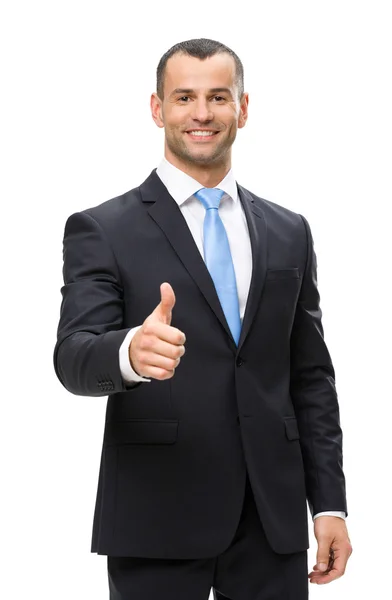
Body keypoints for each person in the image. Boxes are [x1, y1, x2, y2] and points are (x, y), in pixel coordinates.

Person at [54, 38, 352, 600]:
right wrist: (128, 354)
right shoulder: (102, 228)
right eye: (184, 97)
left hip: (271, 519)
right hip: (157, 515)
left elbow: (311, 378)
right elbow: (72, 355)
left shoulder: (290, 231)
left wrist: (329, 503)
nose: (201, 113)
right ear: (156, 108)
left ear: (242, 108)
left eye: (218, 96)